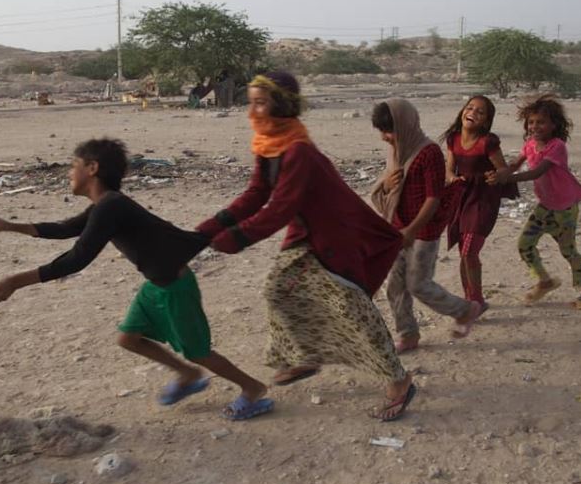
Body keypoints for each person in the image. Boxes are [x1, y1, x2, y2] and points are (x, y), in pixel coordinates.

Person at [0, 138, 273, 420]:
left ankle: (252, 388)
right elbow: (65, 229)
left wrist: (15, 281)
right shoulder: (105, 205)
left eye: (74, 165)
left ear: (92, 168)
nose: (69, 172)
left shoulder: (112, 206)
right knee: (129, 338)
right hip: (155, 286)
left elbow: (78, 258)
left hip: (174, 288)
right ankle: (186, 374)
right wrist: (8, 226)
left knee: (199, 352)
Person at [197, 72, 416, 421]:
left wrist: (231, 239)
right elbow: (256, 195)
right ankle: (304, 357)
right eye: (250, 102)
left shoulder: (298, 151)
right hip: (306, 237)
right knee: (277, 290)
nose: (252, 110)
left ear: (280, 105)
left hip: (335, 238)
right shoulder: (269, 145)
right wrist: (206, 230)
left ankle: (399, 381)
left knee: (352, 310)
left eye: (260, 102)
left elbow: (280, 208)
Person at [371, 98, 483, 354]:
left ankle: (466, 310)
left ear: (405, 125)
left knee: (418, 284)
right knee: (395, 286)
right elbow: (388, 187)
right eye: (382, 132)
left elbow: (433, 198)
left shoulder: (428, 153)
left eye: (390, 131)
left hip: (423, 232)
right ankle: (408, 334)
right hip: (398, 229)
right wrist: (387, 186)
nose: (385, 137)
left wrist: (412, 231)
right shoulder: (398, 150)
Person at [486, 95, 581, 309]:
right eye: (531, 122)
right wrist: (499, 172)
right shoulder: (530, 144)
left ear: (554, 125)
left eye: (541, 122)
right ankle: (544, 280)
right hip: (545, 206)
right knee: (524, 244)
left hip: (565, 208)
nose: (535, 126)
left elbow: (536, 172)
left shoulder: (556, 147)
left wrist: (507, 178)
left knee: (568, 250)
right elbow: (514, 164)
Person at [442, 96, 518, 310]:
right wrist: (451, 178)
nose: (473, 113)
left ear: (486, 121)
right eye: (470, 108)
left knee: (469, 251)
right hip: (462, 197)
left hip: (484, 198)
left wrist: (498, 175)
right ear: (462, 112)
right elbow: (449, 169)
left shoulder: (488, 141)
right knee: (463, 252)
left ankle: (476, 300)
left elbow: (503, 168)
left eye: (480, 112)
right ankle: (471, 297)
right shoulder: (453, 138)